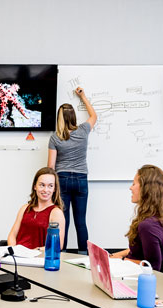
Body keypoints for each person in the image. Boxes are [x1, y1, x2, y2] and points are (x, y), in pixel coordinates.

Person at [48, 87, 97, 254]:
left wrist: (49, 187)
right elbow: (94, 116)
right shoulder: (83, 130)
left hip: (62, 180)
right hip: (81, 179)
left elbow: (50, 167)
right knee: (81, 221)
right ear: (73, 117)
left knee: (64, 221)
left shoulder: (55, 137)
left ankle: (62, 254)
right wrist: (83, 96)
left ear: (59, 118)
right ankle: (84, 256)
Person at [110, 165, 163, 270]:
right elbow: (137, 251)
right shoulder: (157, 218)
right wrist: (112, 256)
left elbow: (153, 266)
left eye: (134, 184)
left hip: (135, 275)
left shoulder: (147, 226)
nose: (130, 188)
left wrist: (121, 260)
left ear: (146, 189)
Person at [7, 167, 66, 250]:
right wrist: (13, 250)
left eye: (50, 186)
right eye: (42, 185)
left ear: (54, 189)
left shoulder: (56, 212)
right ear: (35, 186)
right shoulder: (24, 208)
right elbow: (12, 235)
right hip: (18, 257)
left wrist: (37, 250)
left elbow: (58, 245)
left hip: (39, 258)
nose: (46, 190)